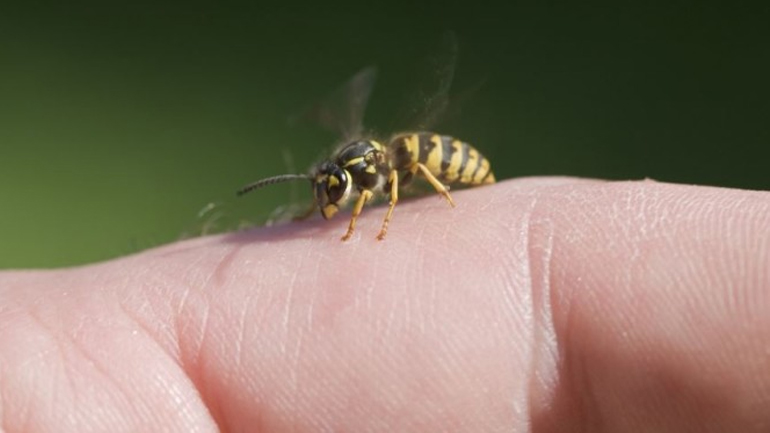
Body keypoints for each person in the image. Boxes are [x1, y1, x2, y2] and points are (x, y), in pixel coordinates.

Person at [1, 177, 768, 432]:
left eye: (333, 194)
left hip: (437, 170)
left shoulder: (388, 184)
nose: (331, 202)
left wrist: (398, 217)